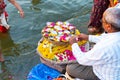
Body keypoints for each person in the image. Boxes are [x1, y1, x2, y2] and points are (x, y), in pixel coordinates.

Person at [66, 6, 120, 80]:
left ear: (108, 26)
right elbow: (106, 38)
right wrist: (88, 37)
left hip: (105, 76)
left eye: (102, 21)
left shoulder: (105, 46)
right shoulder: (113, 36)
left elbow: (82, 60)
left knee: (70, 68)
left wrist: (74, 44)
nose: (101, 21)